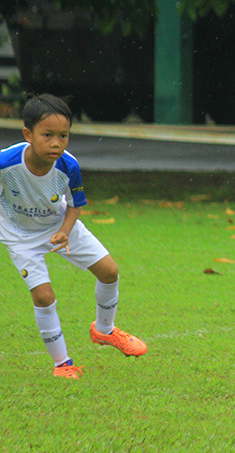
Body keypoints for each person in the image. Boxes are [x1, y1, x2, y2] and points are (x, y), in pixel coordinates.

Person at [0, 94, 147, 379]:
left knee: (110, 272)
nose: (56, 143)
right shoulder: (5, 163)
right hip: (20, 236)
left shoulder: (69, 166)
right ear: (28, 134)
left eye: (64, 136)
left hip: (60, 226)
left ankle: (104, 331)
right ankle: (62, 364)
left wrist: (65, 232)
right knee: (43, 297)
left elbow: (75, 206)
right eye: (48, 135)